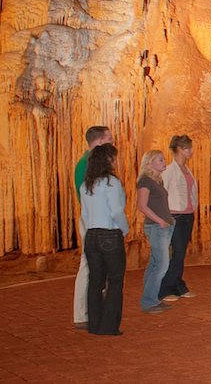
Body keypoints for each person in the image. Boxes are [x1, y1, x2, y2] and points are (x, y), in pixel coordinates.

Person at [80, 143, 129, 335]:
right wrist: (124, 229)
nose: (115, 161)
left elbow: (84, 214)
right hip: (109, 235)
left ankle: (94, 324)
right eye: (113, 158)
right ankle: (109, 326)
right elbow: (116, 210)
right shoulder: (111, 183)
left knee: (95, 281)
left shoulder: (86, 185)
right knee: (115, 281)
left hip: (91, 235)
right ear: (108, 160)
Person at [73, 125, 111, 329]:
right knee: (88, 264)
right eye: (109, 139)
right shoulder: (87, 164)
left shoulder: (88, 163)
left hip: (96, 218)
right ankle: (82, 313)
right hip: (93, 218)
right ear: (99, 141)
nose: (112, 143)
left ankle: (94, 308)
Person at [158, 134, 198, 302]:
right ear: (179, 150)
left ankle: (178, 285)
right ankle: (165, 289)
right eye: (187, 148)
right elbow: (161, 195)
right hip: (175, 215)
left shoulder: (186, 170)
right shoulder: (168, 171)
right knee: (176, 252)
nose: (190, 151)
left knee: (180, 253)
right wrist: (164, 217)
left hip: (187, 214)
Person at [135, 150, 173, 314]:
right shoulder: (145, 181)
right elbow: (142, 206)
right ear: (149, 163)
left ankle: (151, 298)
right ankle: (149, 301)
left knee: (154, 264)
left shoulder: (158, 181)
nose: (164, 162)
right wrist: (160, 221)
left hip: (164, 226)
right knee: (162, 265)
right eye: (160, 159)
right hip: (157, 227)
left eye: (164, 159)